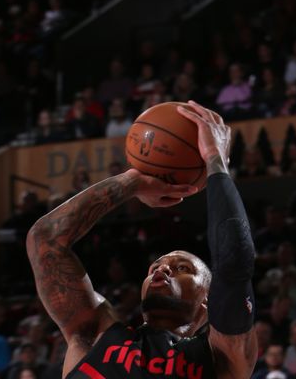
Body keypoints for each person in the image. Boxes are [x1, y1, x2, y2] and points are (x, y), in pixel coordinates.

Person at [26, 101, 258, 378]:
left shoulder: (221, 356)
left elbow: (234, 257)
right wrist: (134, 181)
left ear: (208, 301)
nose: (162, 270)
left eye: (182, 268)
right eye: (155, 267)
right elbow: (45, 239)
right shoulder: (93, 335)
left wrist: (214, 160)